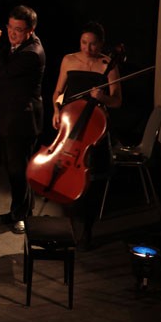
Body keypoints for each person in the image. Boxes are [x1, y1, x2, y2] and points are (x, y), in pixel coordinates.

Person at [51, 21, 121, 249]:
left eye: (93, 44)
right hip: (71, 126)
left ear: (101, 44)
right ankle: (69, 224)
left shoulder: (108, 65)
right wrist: (56, 109)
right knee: (66, 175)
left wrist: (102, 98)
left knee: (92, 181)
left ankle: (87, 228)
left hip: (95, 130)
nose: (87, 48)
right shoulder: (69, 60)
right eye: (83, 43)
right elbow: (58, 93)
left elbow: (117, 101)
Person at [0, 5, 45, 234]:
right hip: (9, 116)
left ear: (30, 30)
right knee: (11, 167)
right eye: (10, 27)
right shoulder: (18, 45)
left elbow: (3, 73)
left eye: (18, 29)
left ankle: (23, 216)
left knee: (20, 170)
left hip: (23, 120)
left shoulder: (32, 52)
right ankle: (19, 210)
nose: (12, 33)